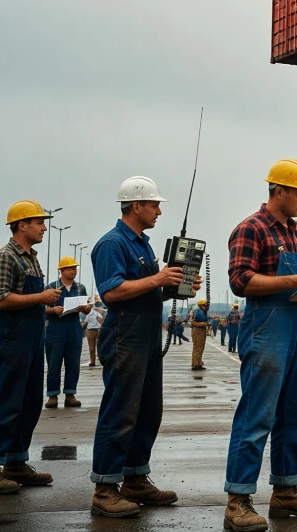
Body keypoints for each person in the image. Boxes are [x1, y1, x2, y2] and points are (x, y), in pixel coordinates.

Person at [222, 159, 297, 531]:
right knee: (257, 416)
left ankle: (286, 490)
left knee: (296, 415)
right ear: (279, 191)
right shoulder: (250, 228)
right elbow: (240, 282)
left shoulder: (296, 233)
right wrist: (294, 279)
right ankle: (238, 500)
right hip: (266, 326)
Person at [88, 175, 199, 517]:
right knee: (120, 411)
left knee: (148, 411)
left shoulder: (142, 244)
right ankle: (105, 488)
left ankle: (135, 478)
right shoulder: (112, 244)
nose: (159, 212)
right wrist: (158, 278)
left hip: (148, 333)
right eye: (154, 205)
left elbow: (147, 288)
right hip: (125, 334)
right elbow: (111, 292)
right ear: (136, 206)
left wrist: (175, 286)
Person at [0, 200, 60, 494]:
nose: (44, 227)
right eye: (39, 222)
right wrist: (41, 299)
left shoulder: (31, 257)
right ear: (22, 225)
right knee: (7, 402)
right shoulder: (5, 257)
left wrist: (47, 304)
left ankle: (14, 463)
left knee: (29, 403)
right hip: (12, 337)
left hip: (33, 337)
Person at [44, 256, 89, 409]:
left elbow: (85, 306)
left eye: (75, 268)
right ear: (62, 270)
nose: (74, 271)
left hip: (74, 327)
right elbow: (40, 309)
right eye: (70, 269)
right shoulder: (51, 287)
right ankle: (52, 396)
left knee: (73, 363)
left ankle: (70, 395)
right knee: (53, 364)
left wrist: (86, 309)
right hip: (55, 328)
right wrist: (52, 310)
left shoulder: (80, 288)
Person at [190, 298, 210, 371]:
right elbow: (203, 320)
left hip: (201, 329)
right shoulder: (199, 312)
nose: (206, 307)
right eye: (205, 305)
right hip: (198, 330)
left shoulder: (200, 311)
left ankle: (199, 363)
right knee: (198, 347)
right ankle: (195, 364)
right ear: (201, 305)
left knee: (201, 347)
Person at [85, 299, 105, 367]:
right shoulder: (88, 314)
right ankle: (93, 361)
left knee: (96, 346)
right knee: (92, 347)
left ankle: (98, 360)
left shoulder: (97, 313)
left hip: (97, 329)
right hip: (91, 330)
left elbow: (101, 321)